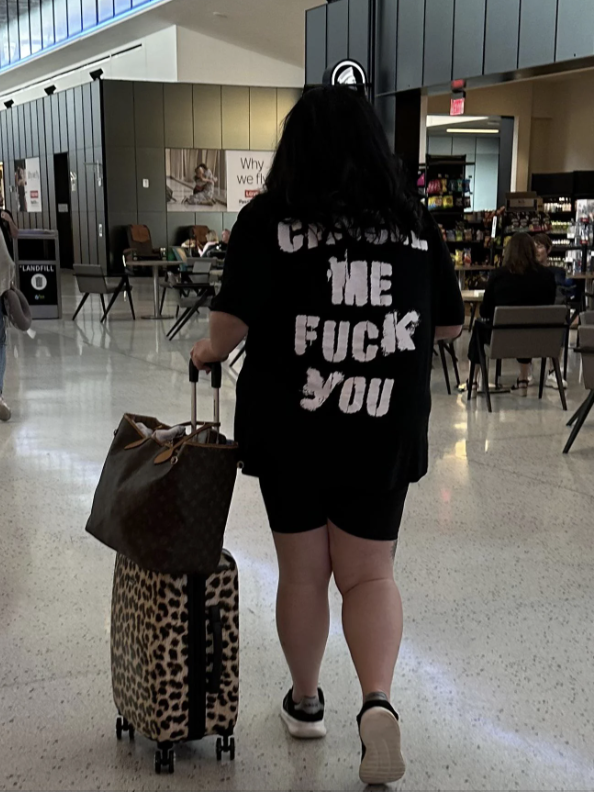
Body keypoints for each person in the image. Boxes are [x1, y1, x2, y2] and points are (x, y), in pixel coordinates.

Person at [190, 86, 464, 785]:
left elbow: (227, 332)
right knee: (370, 574)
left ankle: (307, 703)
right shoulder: (414, 223)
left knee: (305, 573)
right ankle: (377, 704)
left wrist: (202, 354)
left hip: (292, 426)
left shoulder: (267, 219)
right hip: (382, 423)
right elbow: (449, 326)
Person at [468, 232, 557, 396]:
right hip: (538, 340)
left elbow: (485, 310)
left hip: (501, 339)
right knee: (526, 325)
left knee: (478, 328)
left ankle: (473, 382)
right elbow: (549, 306)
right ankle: (523, 380)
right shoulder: (547, 276)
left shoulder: (499, 275)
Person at [0, 208, 18, 421]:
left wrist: (8, 220)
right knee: (0, 342)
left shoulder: (5, 216)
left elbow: (16, 233)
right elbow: (5, 263)